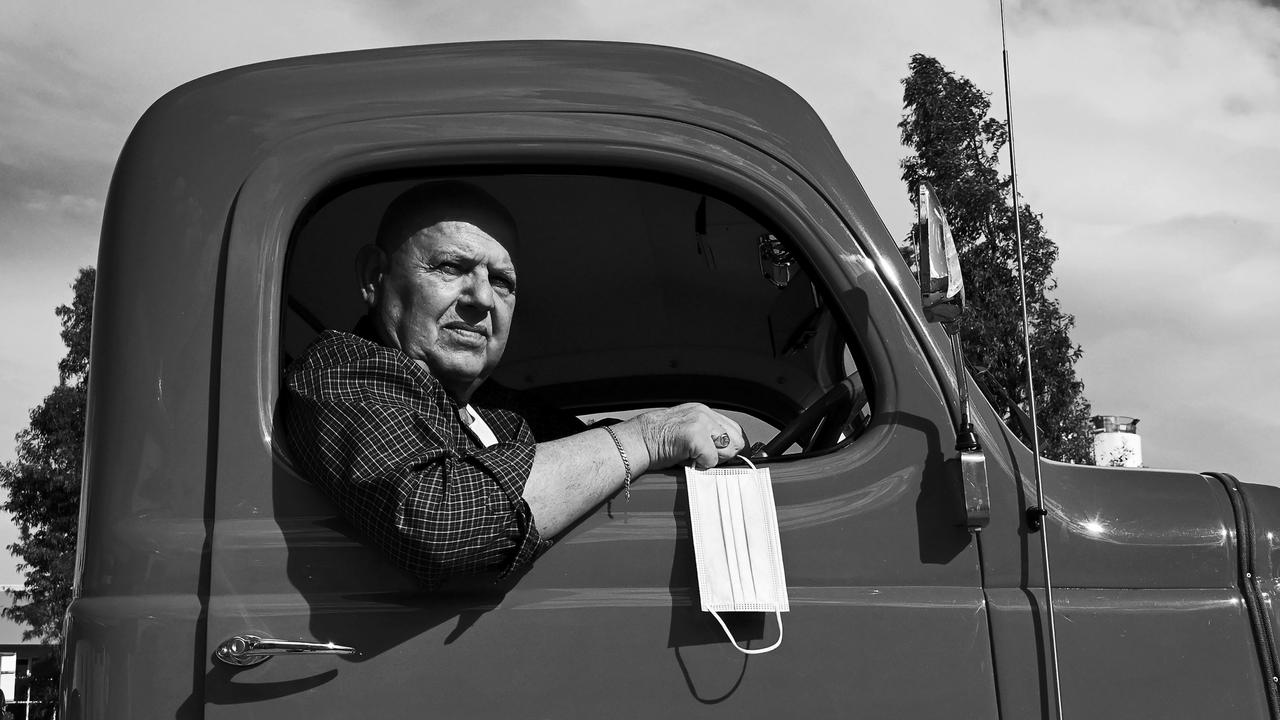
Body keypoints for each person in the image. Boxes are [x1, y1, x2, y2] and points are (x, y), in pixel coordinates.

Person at [284, 181, 747, 587]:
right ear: (374, 277)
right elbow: (439, 525)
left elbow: (582, 445)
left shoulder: (494, 409)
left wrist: (707, 437)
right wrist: (646, 438)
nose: (482, 298)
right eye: (450, 267)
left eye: (502, 281)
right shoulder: (339, 371)